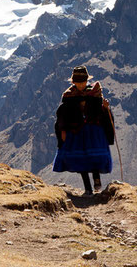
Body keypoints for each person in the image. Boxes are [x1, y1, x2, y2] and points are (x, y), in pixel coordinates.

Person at [53, 66, 114, 196]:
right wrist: (62, 130)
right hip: (76, 132)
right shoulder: (68, 96)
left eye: (83, 82)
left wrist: (105, 108)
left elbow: (100, 112)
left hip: (93, 131)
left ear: (87, 81)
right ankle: (88, 189)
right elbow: (63, 115)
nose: (81, 85)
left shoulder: (95, 94)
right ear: (73, 82)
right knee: (81, 160)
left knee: (94, 156)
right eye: (78, 82)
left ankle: (96, 179)